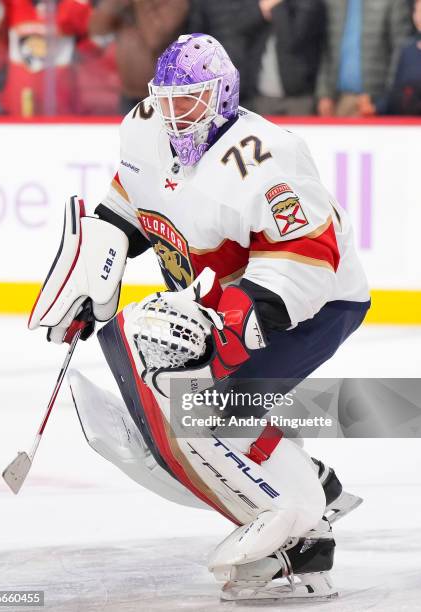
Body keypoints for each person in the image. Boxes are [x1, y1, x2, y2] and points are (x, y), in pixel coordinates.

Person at [28, 34, 370, 602]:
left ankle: (303, 541)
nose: (172, 116)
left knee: (213, 407)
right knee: (163, 372)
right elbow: (126, 205)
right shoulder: (144, 128)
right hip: (218, 297)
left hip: (316, 304)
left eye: (187, 102)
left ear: (223, 96)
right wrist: (94, 274)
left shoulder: (268, 155)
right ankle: (312, 492)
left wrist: (234, 322)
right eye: (165, 101)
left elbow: (309, 258)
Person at [89, 0, 189, 114]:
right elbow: (97, 29)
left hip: (162, 94)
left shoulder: (174, 3)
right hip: (127, 94)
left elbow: (155, 38)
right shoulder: (127, 5)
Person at [316, 0, 412, 117]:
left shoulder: (394, 2)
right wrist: (324, 94)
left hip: (374, 103)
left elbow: (401, 54)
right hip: (339, 100)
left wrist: (382, 102)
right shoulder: (332, 3)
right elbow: (325, 49)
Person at [252, 0, 326, 115]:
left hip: (298, 97)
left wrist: (277, 6)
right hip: (262, 97)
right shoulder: (259, 4)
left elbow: (292, 41)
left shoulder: (308, 4)